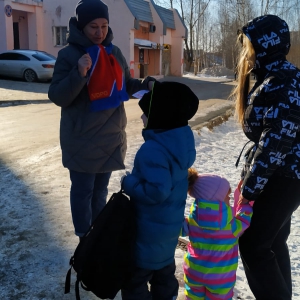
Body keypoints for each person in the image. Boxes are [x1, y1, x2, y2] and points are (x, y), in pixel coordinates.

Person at [48, 0, 155, 238]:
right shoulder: (68, 55)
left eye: (104, 26)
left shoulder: (114, 53)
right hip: (81, 141)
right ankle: (84, 240)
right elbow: (58, 96)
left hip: (110, 138)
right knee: (83, 192)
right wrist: (79, 74)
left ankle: (98, 239)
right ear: (81, 27)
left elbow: (125, 87)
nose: (99, 32)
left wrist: (145, 84)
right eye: (93, 27)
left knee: (101, 192)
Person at [232, 14, 300, 300]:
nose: (246, 52)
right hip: (283, 175)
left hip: (283, 177)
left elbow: (275, 142)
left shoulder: (282, 81)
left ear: (265, 45)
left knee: (253, 244)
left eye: (248, 46)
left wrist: (249, 190)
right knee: (272, 241)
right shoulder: (274, 77)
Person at [120, 81, 199, 300]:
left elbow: (157, 191)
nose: (141, 118)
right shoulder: (180, 143)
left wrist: (129, 183)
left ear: (159, 117)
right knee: (164, 276)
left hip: (147, 233)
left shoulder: (153, 150)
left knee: (134, 281)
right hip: (167, 232)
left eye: (146, 113)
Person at [181, 168, 253, 300]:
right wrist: (245, 207)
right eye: (227, 196)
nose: (229, 198)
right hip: (220, 278)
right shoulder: (230, 225)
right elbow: (243, 222)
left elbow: (180, 229)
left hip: (194, 272)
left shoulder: (192, 218)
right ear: (216, 199)